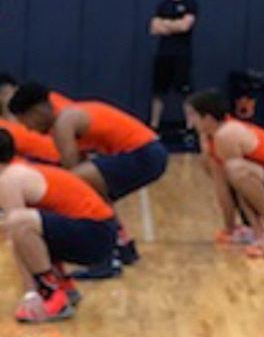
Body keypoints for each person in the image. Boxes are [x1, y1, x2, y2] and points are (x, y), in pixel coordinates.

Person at [9, 82, 167, 273]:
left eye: (26, 122)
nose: (30, 130)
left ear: (37, 112)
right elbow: (79, 165)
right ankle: (122, 247)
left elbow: (71, 180)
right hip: (149, 152)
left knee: (80, 187)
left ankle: (105, 259)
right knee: (94, 190)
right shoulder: (70, 116)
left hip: (144, 154)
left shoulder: (64, 122)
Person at [0, 126, 119, 322]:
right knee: (34, 224)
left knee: (20, 222)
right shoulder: (20, 169)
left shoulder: (8, 180)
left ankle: (50, 294)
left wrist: (31, 294)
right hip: (101, 231)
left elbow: (18, 236)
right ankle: (63, 286)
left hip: (95, 233)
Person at [185, 89, 264, 256]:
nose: (189, 123)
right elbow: (222, 185)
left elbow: (239, 182)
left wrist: (260, 237)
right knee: (220, 168)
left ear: (207, 118)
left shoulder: (228, 134)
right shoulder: (210, 137)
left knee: (235, 169)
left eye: (192, 116)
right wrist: (230, 228)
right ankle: (248, 230)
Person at [150, 0, 198, 131]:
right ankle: (154, 125)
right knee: (158, 91)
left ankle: (190, 127)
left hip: (182, 55)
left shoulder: (190, 4)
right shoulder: (163, 5)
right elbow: (154, 27)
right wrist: (173, 24)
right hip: (164, 54)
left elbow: (185, 26)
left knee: (185, 92)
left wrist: (167, 24)